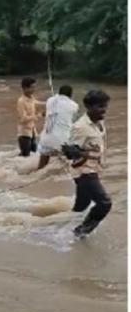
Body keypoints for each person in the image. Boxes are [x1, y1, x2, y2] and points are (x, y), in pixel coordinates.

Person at [62, 90, 111, 237]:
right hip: (84, 172)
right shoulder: (80, 127)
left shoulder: (99, 121)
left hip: (94, 168)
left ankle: (60, 227)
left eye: (105, 106)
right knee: (104, 203)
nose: (104, 110)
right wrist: (74, 152)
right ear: (89, 107)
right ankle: (81, 233)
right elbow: (70, 152)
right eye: (100, 106)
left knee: (81, 206)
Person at [36, 85, 79, 170]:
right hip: (62, 140)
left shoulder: (49, 101)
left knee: (41, 166)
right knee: (68, 163)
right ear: (70, 95)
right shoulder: (74, 105)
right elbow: (73, 121)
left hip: (45, 139)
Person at [16, 77, 43, 157]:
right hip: (24, 133)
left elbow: (37, 103)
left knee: (34, 154)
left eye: (34, 87)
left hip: (32, 131)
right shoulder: (21, 101)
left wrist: (50, 102)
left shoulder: (31, 98)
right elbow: (23, 119)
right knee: (25, 156)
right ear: (25, 88)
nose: (34, 89)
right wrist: (38, 115)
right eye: (32, 87)